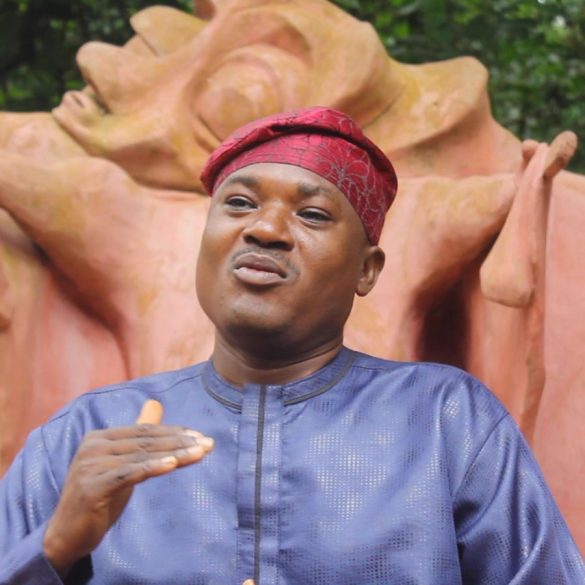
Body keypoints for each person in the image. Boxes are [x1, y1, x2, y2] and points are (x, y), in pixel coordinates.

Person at [0, 106, 583, 585]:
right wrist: (53, 549)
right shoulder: (84, 435)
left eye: (311, 214)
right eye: (239, 204)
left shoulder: (447, 422)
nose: (265, 230)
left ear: (366, 269)